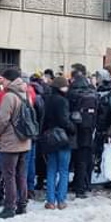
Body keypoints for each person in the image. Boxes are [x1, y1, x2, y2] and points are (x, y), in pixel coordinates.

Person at [0, 68, 33, 219]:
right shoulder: (26, 93)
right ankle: (22, 204)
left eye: (3, 79)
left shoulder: (9, 96)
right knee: (21, 175)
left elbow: (3, 119)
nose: (2, 82)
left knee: (9, 175)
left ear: (9, 80)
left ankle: (9, 207)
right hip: (25, 140)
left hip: (11, 141)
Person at [41, 76, 76, 210]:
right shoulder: (63, 101)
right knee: (63, 170)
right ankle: (61, 200)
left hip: (50, 139)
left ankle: (50, 201)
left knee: (51, 170)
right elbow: (64, 121)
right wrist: (73, 128)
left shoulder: (47, 99)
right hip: (62, 138)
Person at [67, 71, 99, 199]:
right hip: (89, 131)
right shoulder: (93, 94)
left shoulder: (71, 94)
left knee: (76, 159)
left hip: (74, 130)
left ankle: (78, 185)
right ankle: (84, 185)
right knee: (85, 159)